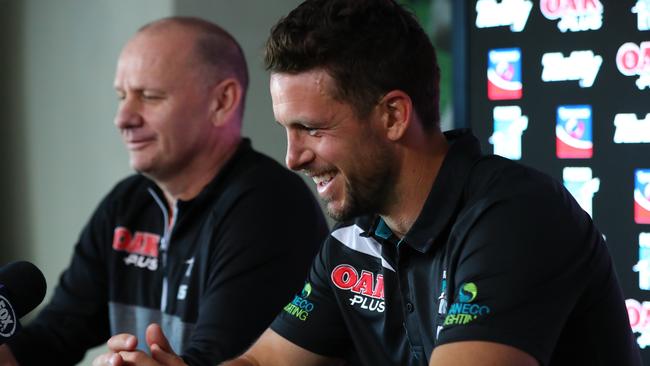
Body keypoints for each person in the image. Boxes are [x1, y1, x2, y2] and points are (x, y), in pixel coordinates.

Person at [97, 1, 643, 365]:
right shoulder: (355, 238)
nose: (291, 158)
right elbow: (264, 361)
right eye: (287, 129)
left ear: (393, 117)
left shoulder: (516, 216)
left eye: (311, 128)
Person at [0, 16, 328, 366]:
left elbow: (218, 360)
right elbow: (55, 335)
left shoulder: (268, 206)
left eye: (149, 97)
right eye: (122, 96)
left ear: (221, 102)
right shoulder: (127, 203)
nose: (123, 117)